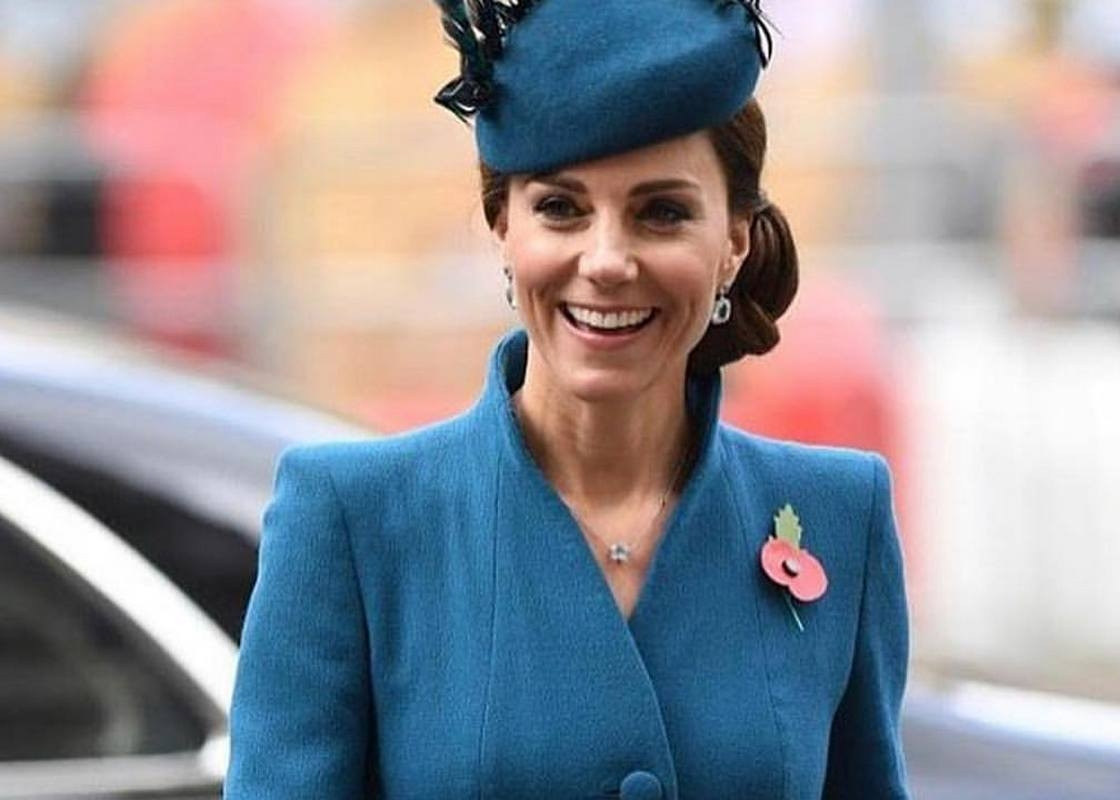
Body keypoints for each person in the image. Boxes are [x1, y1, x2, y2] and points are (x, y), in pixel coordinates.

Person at [224, 1, 911, 798]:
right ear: (502, 227)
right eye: (561, 209)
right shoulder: (353, 521)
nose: (607, 260)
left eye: (662, 213)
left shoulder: (838, 516)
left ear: (734, 240)